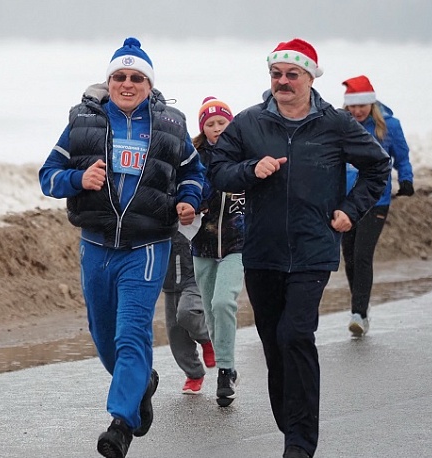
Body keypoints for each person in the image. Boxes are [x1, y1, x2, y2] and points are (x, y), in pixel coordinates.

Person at [207, 39, 391, 458]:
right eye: (277, 74)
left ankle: (299, 444)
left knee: (296, 335)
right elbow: (217, 171)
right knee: (274, 342)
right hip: (262, 251)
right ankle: (292, 425)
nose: (283, 81)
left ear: (310, 77)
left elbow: (377, 166)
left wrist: (351, 209)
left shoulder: (336, 124)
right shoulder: (249, 123)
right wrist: (252, 170)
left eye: (292, 74)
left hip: (312, 250)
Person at [39, 37, 205, 458]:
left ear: (149, 85)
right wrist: (78, 180)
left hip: (146, 245)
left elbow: (193, 173)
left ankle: (120, 424)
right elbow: (48, 175)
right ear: (108, 81)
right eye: (119, 77)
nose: (127, 84)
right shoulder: (83, 122)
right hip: (95, 244)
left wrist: (189, 200)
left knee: (132, 332)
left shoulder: (170, 126)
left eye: (136, 78)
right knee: (105, 337)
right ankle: (141, 383)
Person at [340, 75, 415, 337]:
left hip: (376, 200)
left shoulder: (389, 126)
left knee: (362, 255)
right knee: (348, 257)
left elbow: (402, 158)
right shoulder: (341, 125)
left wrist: (406, 179)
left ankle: (358, 312)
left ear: (371, 104)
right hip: (346, 202)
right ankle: (359, 306)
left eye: (362, 106)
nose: (357, 111)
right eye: (353, 106)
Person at [190, 96, 245, 407]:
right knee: (210, 309)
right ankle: (228, 364)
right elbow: (185, 187)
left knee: (224, 302)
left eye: (221, 122)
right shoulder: (195, 157)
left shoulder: (244, 151)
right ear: (203, 129)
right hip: (203, 242)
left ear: (230, 123)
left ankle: (225, 370)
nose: (216, 129)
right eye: (210, 124)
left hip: (239, 241)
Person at [162, 229, 215, 395]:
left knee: (187, 312)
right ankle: (194, 374)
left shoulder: (195, 211)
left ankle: (206, 339)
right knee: (176, 334)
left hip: (194, 279)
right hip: (169, 282)